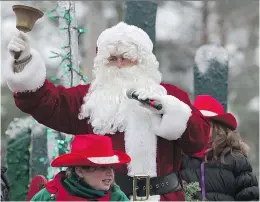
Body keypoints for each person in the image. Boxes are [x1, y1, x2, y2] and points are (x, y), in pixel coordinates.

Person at [3, 22, 210, 201]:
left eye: (127, 57)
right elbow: (47, 102)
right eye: (112, 58)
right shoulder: (88, 100)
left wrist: (171, 112)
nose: (119, 65)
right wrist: (24, 65)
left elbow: (199, 140)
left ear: (143, 61)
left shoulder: (170, 96)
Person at [180, 95, 259, 201]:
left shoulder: (236, 160)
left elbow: (249, 196)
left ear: (219, 128)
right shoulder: (180, 158)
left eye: (206, 125)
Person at [31, 134, 131, 201]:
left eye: (111, 167)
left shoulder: (116, 197)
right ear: (80, 171)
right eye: (102, 167)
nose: (110, 172)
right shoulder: (50, 196)